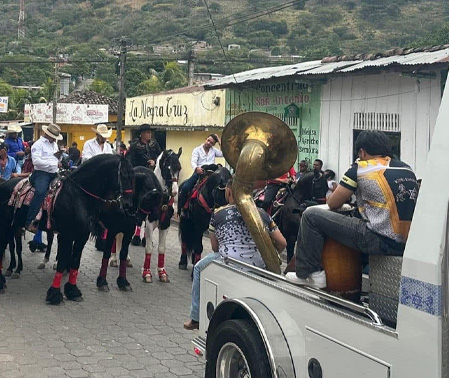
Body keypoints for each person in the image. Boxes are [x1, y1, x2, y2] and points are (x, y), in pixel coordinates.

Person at [286, 131, 419, 289]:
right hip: (405, 243)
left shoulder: (360, 169)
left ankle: (309, 273)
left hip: (376, 240)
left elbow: (333, 203)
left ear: (362, 152)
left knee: (310, 215)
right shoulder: (406, 168)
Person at [184, 179, 286, 330]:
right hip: (258, 263)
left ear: (229, 191)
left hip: (229, 261)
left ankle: (196, 317)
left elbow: (215, 247)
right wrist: (271, 255)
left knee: (198, 268)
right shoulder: (262, 213)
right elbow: (282, 242)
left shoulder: (217, 213)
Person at [27, 123, 63, 251]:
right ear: (47, 134)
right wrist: (53, 163)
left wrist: (59, 161)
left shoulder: (54, 145)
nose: (54, 138)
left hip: (54, 173)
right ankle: (30, 220)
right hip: (41, 173)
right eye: (53, 136)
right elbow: (36, 162)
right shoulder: (38, 145)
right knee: (41, 191)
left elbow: (56, 159)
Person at [178, 134, 223, 214]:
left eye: (211, 143)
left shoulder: (214, 150)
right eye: (208, 140)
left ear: (213, 144)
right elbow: (193, 161)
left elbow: (224, 154)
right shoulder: (197, 150)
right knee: (185, 187)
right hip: (200, 172)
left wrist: (220, 141)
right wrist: (196, 168)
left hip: (211, 174)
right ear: (206, 139)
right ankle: (183, 209)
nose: (209, 143)